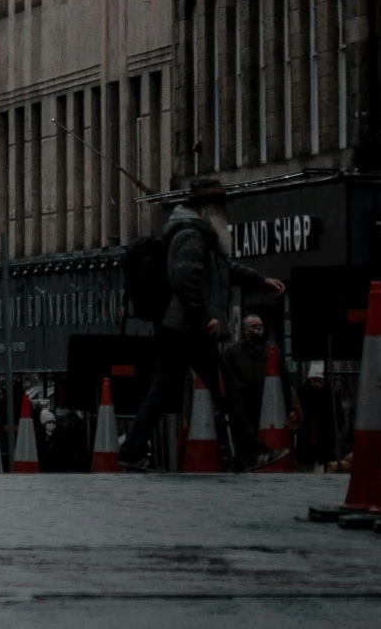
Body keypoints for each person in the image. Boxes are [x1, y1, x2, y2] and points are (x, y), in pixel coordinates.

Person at [117, 178, 284, 472]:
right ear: (207, 208)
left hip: (181, 329)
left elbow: (222, 270)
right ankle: (249, 452)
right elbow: (185, 281)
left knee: (165, 391)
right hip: (188, 329)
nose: (224, 213)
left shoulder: (201, 236)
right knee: (227, 387)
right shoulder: (191, 235)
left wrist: (260, 281)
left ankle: (131, 450)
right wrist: (204, 317)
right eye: (219, 207)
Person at [220, 312, 271, 440]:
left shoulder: (271, 350)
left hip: (267, 403)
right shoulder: (232, 353)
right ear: (245, 331)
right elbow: (227, 379)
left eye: (260, 326)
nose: (258, 330)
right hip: (243, 405)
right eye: (254, 327)